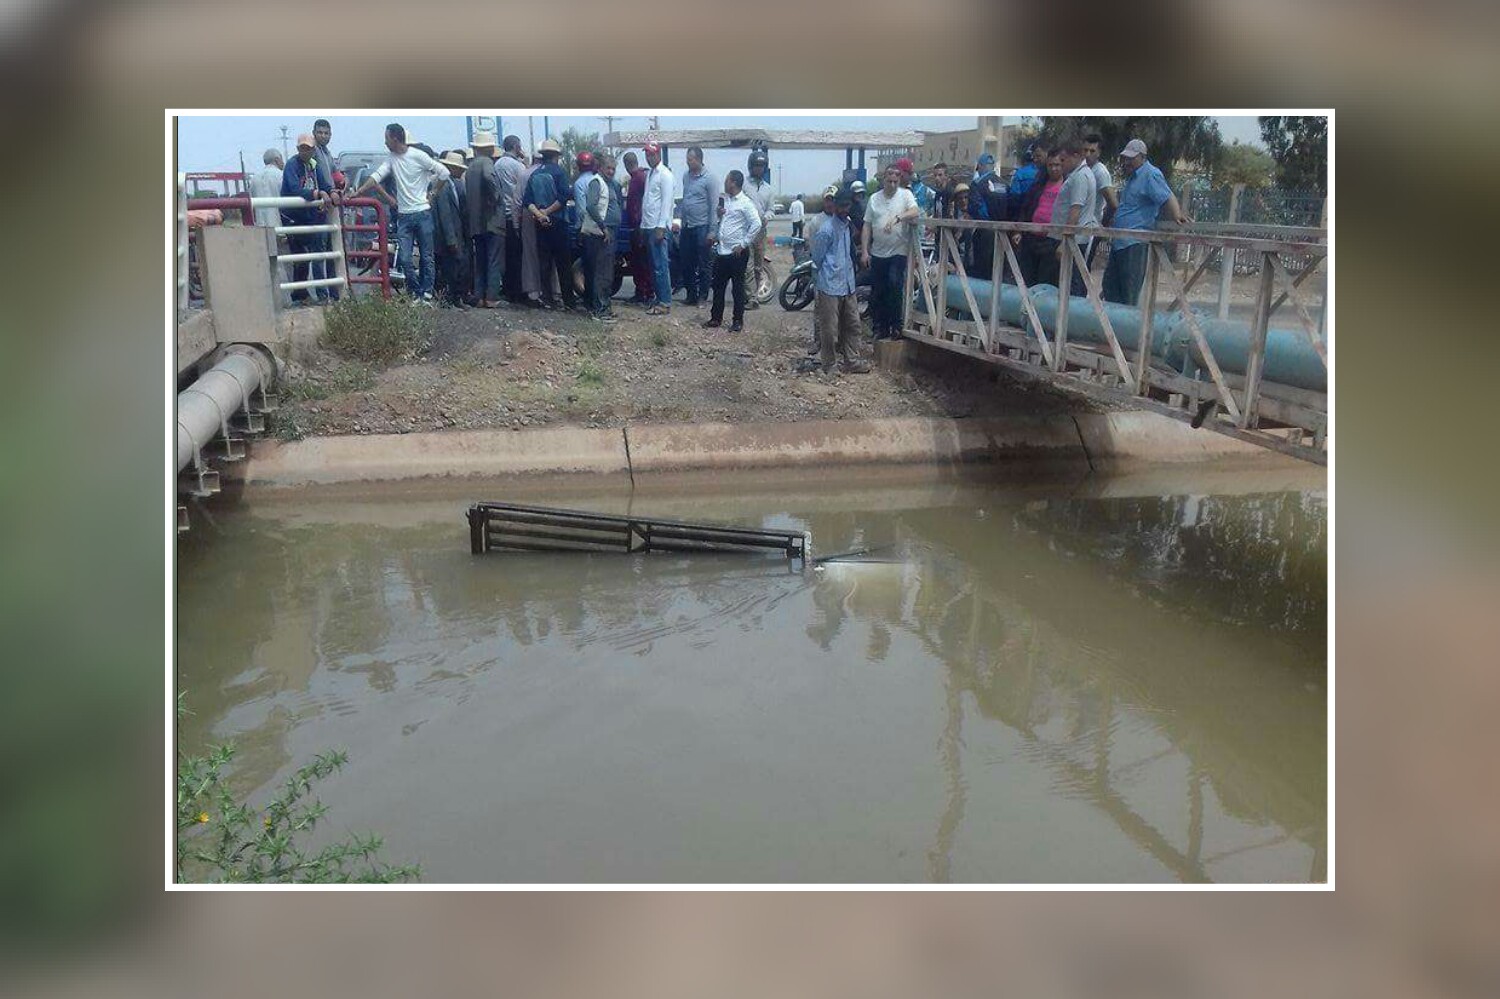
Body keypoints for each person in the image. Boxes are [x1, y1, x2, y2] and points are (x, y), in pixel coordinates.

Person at [345, 123, 447, 304]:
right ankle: (417, 292)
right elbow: (376, 177)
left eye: (386, 139)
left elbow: (443, 173)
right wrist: (359, 191)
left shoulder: (418, 156)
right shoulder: (391, 159)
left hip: (422, 211)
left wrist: (431, 195)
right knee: (406, 259)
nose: (385, 143)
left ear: (395, 138)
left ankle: (426, 294)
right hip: (404, 215)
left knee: (426, 256)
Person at [1101, 138, 1189, 305]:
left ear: (1142, 157)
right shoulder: (1132, 178)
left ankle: (1127, 329)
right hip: (1120, 241)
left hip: (1134, 243)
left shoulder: (1150, 174)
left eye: (1131, 158)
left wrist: (1177, 214)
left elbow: (1166, 195)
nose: (1127, 162)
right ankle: (1113, 326)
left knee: (1129, 291)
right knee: (1110, 287)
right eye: (1125, 158)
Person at [810, 186, 871, 376]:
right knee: (829, 329)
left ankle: (851, 361)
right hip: (830, 285)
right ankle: (829, 364)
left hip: (848, 284)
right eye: (842, 206)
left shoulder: (848, 226)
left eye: (848, 206)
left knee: (853, 325)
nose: (845, 210)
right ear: (835, 206)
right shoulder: (826, 230)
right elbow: (817, 259)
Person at [860, 165, 919, 340]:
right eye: (889, 181)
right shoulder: (874, 199)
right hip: (878, 251)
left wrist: (898, 217)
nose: (892, 185)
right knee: (878, 289)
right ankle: (880, 326)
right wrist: (865, 251)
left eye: (895, 181)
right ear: (883, 180)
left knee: (894, 283)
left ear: (899, 180)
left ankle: (896, 324)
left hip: (898, 249)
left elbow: (915, 211)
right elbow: (867, 225)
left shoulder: (905, 195)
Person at [279, 133, 336, 305]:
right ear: (298, 149)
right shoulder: (292, 165)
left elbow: (324, 183)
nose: (305, 151)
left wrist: (331, 191)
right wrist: (317, 193)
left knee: (318, 254)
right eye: (302, 148)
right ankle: (299, 295)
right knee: (300, 257)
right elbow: (294, 188)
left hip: (310, 216)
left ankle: (321, 294)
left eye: (309, 148)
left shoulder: (313, 165)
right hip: (293, 217)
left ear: (313, 150)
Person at [702, 169, 762, 333]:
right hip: (722, 251)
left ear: (734, 182)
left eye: (727, 180)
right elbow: (725, 223)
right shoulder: (725, 201)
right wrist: (719, 216)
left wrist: (743, 244)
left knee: (737, 289)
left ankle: (737, 320)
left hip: (737, 253)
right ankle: (716, 318)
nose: (725, 183)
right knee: (718, 287)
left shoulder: (745, 203)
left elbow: (756, 224)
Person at [525, 138, 575, 311]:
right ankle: (568, 301)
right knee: (563, 264)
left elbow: (527, 201)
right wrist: (547, 212)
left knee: (544, 263)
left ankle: (546, 298)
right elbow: (564, 197)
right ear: (556, 156)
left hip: (540, 223)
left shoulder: (535, 174)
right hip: (558, 222)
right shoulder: (559, 173)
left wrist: (539, 214)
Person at [1009, 150, 1066, 287]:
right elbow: (1025, 208)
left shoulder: (1067, 186)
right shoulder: (1038, 185)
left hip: (1051, 242)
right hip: (1031, 239)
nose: (1054, 168)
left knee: (1046, 284)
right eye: (1050, 165)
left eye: (1057, 165)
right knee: (1027, 282)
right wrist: (1018, 231)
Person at [1053, 138, 1098, 297]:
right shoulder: (1078, 175)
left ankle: (1070, 319)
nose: (1062, 164)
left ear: (1076, 156)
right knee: (1068, 283)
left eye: (1064, 160)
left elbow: (1075, 210)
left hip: (1075, 242)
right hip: (1073, 240)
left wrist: (1065, 241)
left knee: (1073, 286)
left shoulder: (1080, 177)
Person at [676, 146, 720, 308]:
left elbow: (714, 206)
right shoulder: (686, 177)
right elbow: (685, 200)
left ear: (699, 159)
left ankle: (703, 296)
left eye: (691, 159)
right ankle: (691, 295)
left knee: (704, 264)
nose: (688, 162)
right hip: (687, 226)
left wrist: (712, 231)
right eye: (687, 159)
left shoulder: (710, 178)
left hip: (702, 226)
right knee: (686, 262)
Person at [465, 132, 504, 307]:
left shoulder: (471, 167)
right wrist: (496, 197)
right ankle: (492, 297)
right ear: (489, 148)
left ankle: (479, 296)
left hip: (475, 222)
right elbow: (489, 178)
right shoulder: (487, 163)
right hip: (491, 220)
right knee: (494, 259)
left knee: (480, 260)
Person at [577, 151, 616, 322]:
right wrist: (604, 227)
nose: (611, 171)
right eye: (608, 168)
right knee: (601, 274)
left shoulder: (608, 184)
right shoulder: (596, 183)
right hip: (598, 234)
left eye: (614, 168)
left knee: (604, 273)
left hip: (604, 234)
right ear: (600, 168)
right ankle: (600, 310)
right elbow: (591, 207)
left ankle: (601, 307)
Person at [432, 152, 471, 307]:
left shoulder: (450, 184)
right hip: (447, 236)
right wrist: (451, 239)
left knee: (453, 268)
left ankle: (452, 298)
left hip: (451, 234)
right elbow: (445, 215)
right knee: (451, 269)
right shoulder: (443, 186)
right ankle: (451, 299)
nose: (462, 171)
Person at [640, 142, 674, 315]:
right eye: (646, 154)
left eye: (651, 154)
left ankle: (665, 301)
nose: (648, 157)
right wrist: (642, 225)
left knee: (660, 265)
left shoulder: (665, 175)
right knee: (653, 266)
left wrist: (661, 226)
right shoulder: (650, 174)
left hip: (657, 226)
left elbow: (666, 203)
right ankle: (659, 298)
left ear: (658, 154)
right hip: (648, 224)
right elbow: (648, 201)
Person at [742, 150, 776, 309]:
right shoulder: (744, 185)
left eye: (762, 166)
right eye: (756, 166)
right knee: (747, 265)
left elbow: (771, 210)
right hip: (745, 229)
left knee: (758, 265)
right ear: (750, 166)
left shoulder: (769, 189)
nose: (759, 169)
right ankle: (751, 298)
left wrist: (767, 217)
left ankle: (754, 295)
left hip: (760, 231)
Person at [495, 136, 526, 304]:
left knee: (506, 256)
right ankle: (518, 291)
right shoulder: (518, 166)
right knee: (517, 255)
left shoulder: (497, 165)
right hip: (515, 215)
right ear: (516, 146)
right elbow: (523, 189)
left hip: (501, 214)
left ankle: (507, 289)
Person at [1081, 133, 1119, 268]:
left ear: (1099, 153)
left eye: (1092, 151)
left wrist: (1102, 224)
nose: (1087, 154)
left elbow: (1113, 204)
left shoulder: (1100, 172)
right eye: (1085, 150)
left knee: (1082, 268)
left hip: (1091, 229)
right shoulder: (1082, 168)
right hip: (1078, 227)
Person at [968, 152, 1008, 278]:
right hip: (1003, 232)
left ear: (980, 166)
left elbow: (978, 209)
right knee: (998, 272)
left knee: (982, 272)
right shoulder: (1005, 184)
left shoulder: (977, 184)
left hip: (985, 233)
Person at [621, 151, 652, 306]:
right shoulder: (644, 176)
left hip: (638, 225)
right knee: (642, 261)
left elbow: (635, 206)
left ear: (626, 165)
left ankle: (643, 293)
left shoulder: (636, 179)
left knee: (640, 262)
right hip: (643, 224)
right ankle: (644, 292)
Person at [513, 152, 543, 306]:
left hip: (528, 214)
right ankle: (552, 292)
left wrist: (516, 225)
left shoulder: (525, 174)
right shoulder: (551, 171)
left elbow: (517, 200)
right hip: (548, 215)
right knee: (547, 255)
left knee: (529, 255)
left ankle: (532, 293)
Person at [572, 151, 600, 311]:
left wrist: (582, 230)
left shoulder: (579, 183)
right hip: (598, 228)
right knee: (596, 267)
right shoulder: (597, 180)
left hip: (585, 228)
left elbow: (582, 210)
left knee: (588, 267)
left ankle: (589, 301)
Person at [249, 148, 284, 227]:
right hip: (280, 225)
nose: (283, 162)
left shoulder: (254, 178)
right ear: (277, 160)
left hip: (261, 226)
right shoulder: (281, 175)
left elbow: (252, 206)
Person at [1008, 141, 1048, 209]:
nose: (1035, 160)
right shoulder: (1021, 173)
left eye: (1038, 156)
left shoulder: (1054, 173)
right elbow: (1014, 198)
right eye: (1034, 157)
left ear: (1047, 153)